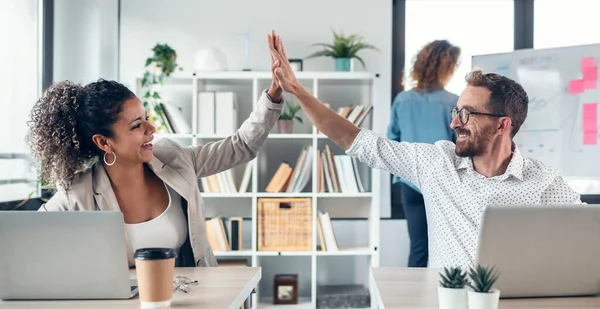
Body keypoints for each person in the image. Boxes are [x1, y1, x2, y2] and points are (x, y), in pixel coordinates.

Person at [267, 30, 581, 268]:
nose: (456, 123)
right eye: (455, 112)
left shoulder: (544, 182)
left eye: (467, 114)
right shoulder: (435, 163)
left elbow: (587, 239)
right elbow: (356, 139)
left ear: (502, 125)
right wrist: (296, 89)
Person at [28, 33, 286, 268]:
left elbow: (241, 146)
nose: (152, 129)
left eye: (147, 117)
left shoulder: (175, 159)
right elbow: (29, 240)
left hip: (194, 297)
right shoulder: (76, 195)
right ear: (104, 142)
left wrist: (275, 92)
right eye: (136, 125)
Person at [388, 40, 461, 267]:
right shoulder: (453, 102)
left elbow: (393, 140)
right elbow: (460, 145)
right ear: (448, 67)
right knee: (450, 245)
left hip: (409, 182)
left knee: (418, 247)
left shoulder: (403, 100)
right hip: (445, 181)